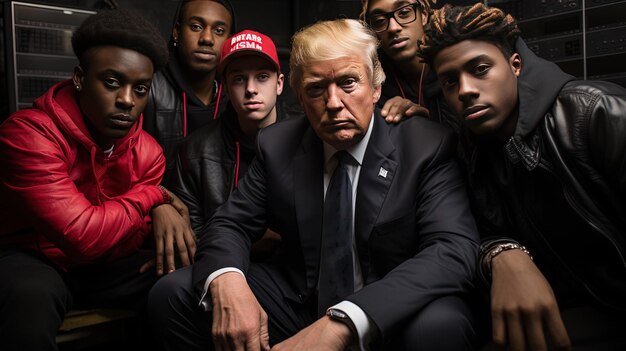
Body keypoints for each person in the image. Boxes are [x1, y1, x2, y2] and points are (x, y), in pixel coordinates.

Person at [148, 18, 479, 351]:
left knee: (441, 324)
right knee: (173, 292)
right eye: (316, 89)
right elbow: (229, 223)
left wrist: (347, 319)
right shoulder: (277, 145)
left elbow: (452, 250)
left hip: (389, 307)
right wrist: (227, 282)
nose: (333, 103)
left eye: (349, 82)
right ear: (301, 98)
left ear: (375, 87)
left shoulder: (426, 145)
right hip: (301, 302)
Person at [417, 3, 626, 350]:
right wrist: (503, 253)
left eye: (480, 69)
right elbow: (474, 232)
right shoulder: (470, 149)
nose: (465, 90)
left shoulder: (593, 113)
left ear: (516, 66)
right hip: (568, 314)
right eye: (450, 81)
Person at [0, 9, 193, 351]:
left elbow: (126, 240)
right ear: (79, 78)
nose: (127, 101)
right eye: (112, 82)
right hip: (34, 258)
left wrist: (158, 211)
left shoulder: (148, 152)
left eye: (141, 88)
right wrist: (153, 197)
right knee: (29, 298)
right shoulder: (28, 133)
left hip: (103, 266)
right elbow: (82, 235)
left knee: (182, 278)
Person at [169, 29, 295, 255]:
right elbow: (191, 235)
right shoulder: (195, 151)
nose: (250, 89)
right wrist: (251, 244)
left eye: (262, 77)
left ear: (279, 83)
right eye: (238, 79)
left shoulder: (305, 140)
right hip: (221, 264)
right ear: (225, 87)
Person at [143, 0, 236, 186]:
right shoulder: (147, 88)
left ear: (229, 40)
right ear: (177, 31)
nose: (207, 38)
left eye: (219, 31)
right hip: (156, 208)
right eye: (196, 26)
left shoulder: (238, 96)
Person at [359, 0, 458, 130]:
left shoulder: (453, 63)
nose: (393, 28)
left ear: (423, 15)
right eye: (379, 21)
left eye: (404, 13)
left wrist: (428, 121)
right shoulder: (372, 82)